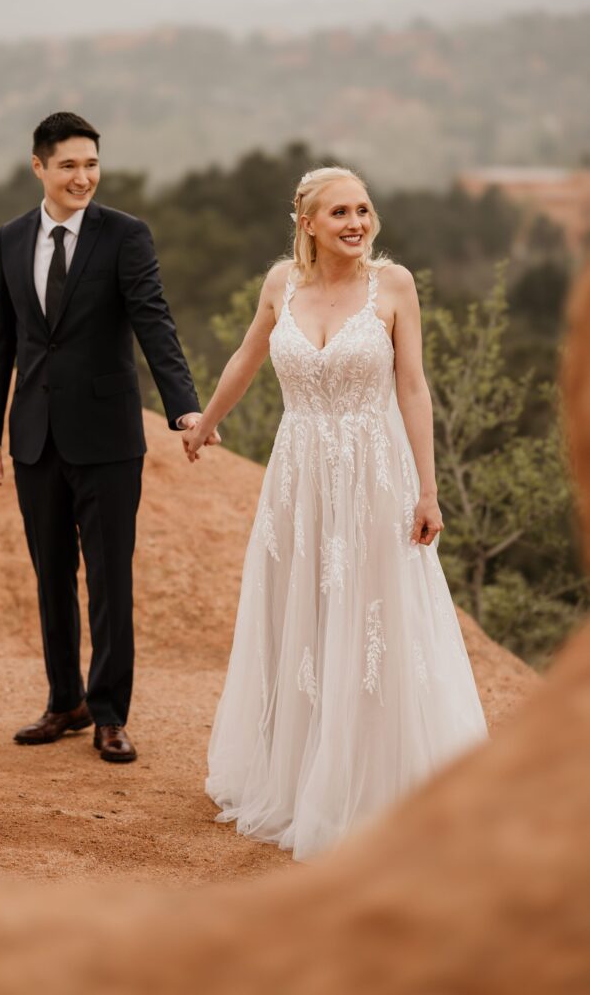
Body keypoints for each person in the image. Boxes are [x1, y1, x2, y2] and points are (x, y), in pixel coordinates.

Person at [184, 166, 488, 860]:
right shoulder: (278, 285)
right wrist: (206, 421)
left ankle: (378, 781)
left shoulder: (395, 286)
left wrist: (427, 488)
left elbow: (412, 387)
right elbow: (246, 356)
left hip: (375, 478)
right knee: (304, 617)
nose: (356, 222)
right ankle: (298, 776)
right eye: (340, 212)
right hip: (298, 479)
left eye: (363, 209)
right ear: (308, 223)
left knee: (373, 619)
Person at [0, 112, 216, 762]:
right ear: (39, 168)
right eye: (69, 166)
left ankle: (109, 713)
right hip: (33, 439)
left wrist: (186, 409)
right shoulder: (11, 238)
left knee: (109, 580)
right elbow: (0, 341)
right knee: (51, 576)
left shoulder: (125, 236)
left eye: (91, 165)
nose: (83, 178)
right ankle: (65, 702)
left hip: (108, 439)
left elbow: (153, 323)